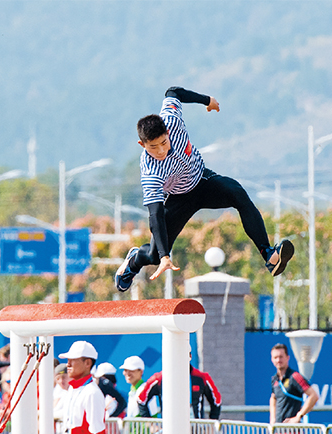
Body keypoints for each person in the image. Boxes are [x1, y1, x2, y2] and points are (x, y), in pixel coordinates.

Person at [114, 86, 293, 293]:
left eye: (164, 142)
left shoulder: (172, 119)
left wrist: (207, 100)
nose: (161, 150)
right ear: (142, 144)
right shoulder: (150, 171)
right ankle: (133, 262)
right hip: (178, 199)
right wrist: (164, 257)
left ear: (168, 132)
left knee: (238, 193)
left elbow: (173, 92)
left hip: (202, 180)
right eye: (153, 147)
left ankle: (269, 255)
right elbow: (155, 214)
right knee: (153, 256)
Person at [137, 356, 222, 420]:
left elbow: (217, 401)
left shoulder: (202, 377)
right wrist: (150, 424)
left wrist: (211, 425)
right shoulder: (159, 378)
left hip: (195, 428)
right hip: (170, 430)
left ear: (190, 357)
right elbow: (141, 400)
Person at [60, 341, 106, 434]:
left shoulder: (92, 392)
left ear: (87, 363)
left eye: (72, 360)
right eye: (67, 360)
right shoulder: (72, 389)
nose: (68, 364)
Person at [270, 343, 319, 434]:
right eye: (275, 357)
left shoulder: (295, 377)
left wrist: (299, 416)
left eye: (281, 357)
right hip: (278, 432)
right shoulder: (274, 379)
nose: (278, 360)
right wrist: (272, 419)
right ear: (272, 360)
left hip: (293, 433)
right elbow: (273, 398)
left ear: (287, 358)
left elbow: (313, 396)